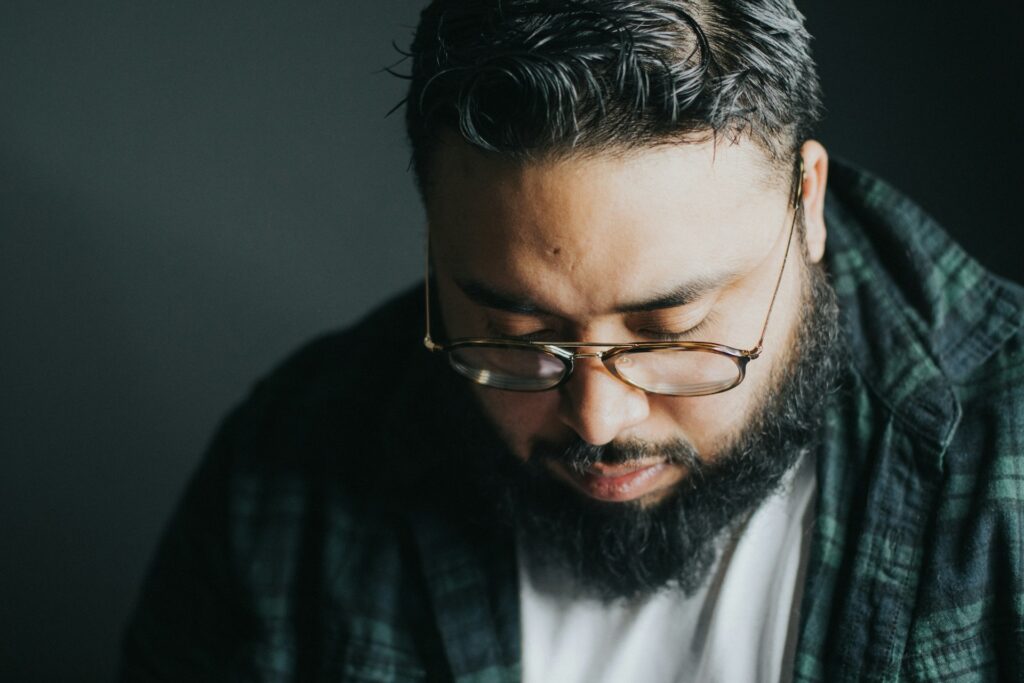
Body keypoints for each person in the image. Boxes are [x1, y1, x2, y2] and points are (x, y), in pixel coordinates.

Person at [120, 1, 1024, 681]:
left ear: (808, 204)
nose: (595, 419)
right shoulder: (285, 478)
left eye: (672, 330)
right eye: (516, 334)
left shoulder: (1008, 475)